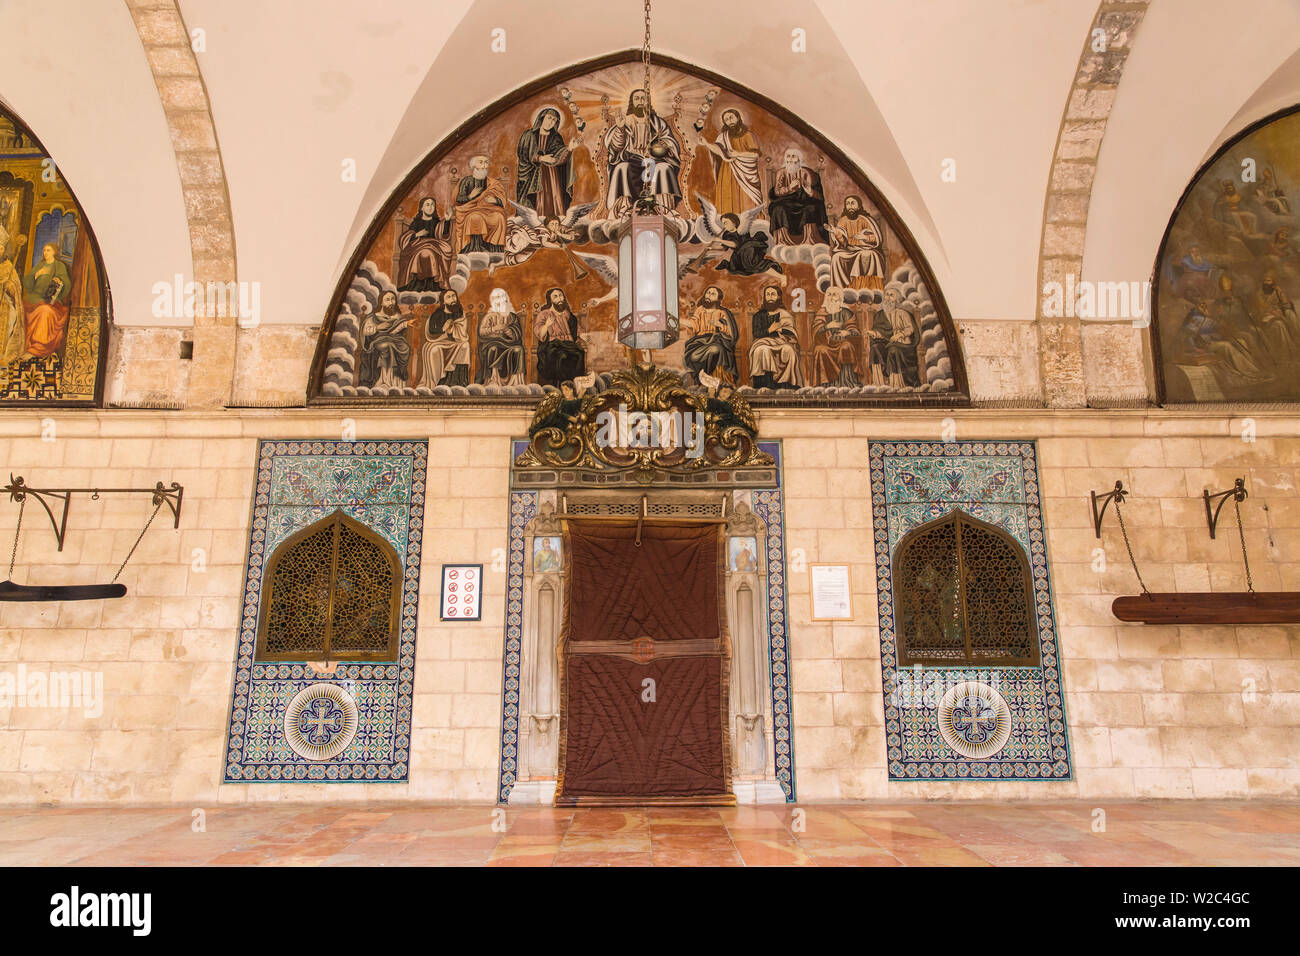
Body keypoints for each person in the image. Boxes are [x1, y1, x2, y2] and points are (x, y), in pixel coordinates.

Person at [603, 89, 681, 215]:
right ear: (631, 102)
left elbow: (670, 141)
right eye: (637, 98)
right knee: (621, 167)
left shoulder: (657, 122)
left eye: (643, 99)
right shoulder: (626, 121)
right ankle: (624, 208)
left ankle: (663, 208)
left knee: (664, 168)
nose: (640, 101)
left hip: (654, 161)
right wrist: (620, 129)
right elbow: (616, 148)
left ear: (648, 102)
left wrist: (663, 145)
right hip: (632, 160)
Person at [516, 107, 578, 218]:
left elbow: (560, 159)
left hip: (551, 176)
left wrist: (569, 149)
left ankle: (553, 223)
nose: (551, 122)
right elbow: (523, 155)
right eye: (549, 118)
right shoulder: (528, 135)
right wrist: (540, 158)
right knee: (533, 204)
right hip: (532, 176)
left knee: (553, 200)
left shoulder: (556, 137)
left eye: (554, 120)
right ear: (541, 118)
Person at [701, 108, 761, 217]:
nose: (730, 121)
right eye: (727, 120)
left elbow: (755, 155)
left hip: (746, 174)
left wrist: (738, 154)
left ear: (738, 118)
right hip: (728, 171)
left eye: (731, 118)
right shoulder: (724, 136)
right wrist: (707, 144)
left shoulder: (748, 135)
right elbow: (717, 149)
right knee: (727, 195)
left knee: (745, 197)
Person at [768, 149, 829, 245]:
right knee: (778, 210)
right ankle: (782, 241)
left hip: (804, 201)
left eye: (793, 156)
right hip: (785, 201)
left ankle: (810, 240)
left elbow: (817, 195)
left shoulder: (807, 172)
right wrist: (789, 188)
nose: (790, 159)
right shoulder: (781, 172)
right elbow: (777, 192)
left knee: (811, 209)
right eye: (788, 156)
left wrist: (808, 190)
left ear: (799, 159)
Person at [748, 284, 805, 389]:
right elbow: (756, 333)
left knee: (788, 350)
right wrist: (770, 329)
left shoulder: (785, 314)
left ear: (778, 297)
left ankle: (785, 384)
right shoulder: (759, 315)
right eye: (767, 295)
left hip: (782, 341)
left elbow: (791, 333)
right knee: (762, 350)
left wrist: (779, 329)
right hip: (763, 341)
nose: (770, 297)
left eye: (773, 294)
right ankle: (764, 384)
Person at [22, 242, 72, 359]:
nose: (45, 253)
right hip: (34, 299)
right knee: (20, 309)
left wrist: (58, 280)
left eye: (48, 250)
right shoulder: (40, 266)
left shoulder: (59, 266)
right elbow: (28, 284)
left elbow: (67, 283)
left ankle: (37, 348)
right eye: (44, 250)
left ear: (54, 252)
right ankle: (23, 346)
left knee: (45, 311)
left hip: (51, 301)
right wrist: (35, 275)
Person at [357, 291, 415, 389]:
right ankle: (383, 380)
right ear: (381, 303)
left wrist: (406, 324)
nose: (391, 302)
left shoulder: (397, 317)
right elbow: (366, 332)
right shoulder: (373, 317)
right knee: (387, 346)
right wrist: (378, 327)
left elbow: (395, 331)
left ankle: (395, 382)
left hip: (395, 340)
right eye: (387, 300)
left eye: (393, 299)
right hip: (376, 342)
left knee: (404, 347)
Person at [396, 197, 454, 292]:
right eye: (427, 205)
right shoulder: (416, 222)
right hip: (417, 246)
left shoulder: (436, 222)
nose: (430, 207)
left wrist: (447, 220)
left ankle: (433, 283)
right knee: (425, 253)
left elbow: (442, 235)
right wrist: (417, 234)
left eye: (432, 205)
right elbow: (406, 238)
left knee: (431, 252)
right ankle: (418, 283)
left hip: (434, 246)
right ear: (422, 208)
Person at [682, 285, 739, 382]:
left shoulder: (722, 312)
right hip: (700, 342)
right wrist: (678, 320)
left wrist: (720, 326)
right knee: (693, 356)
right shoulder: (700, 310)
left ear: (718, 299)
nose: (709, 295)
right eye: (708, 293)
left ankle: (711, 380)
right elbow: (693, 324)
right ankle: (702, 378)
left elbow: (731, 334)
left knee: (715, 349)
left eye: (713, 294)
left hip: (718, 340)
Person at [455, 155, 509, 253]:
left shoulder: (492, 183)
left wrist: (495, 200)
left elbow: (502, 200)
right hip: (470, 210)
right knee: (475, 217)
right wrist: (470, 196)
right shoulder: (467, 181)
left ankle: (494, 248)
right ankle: (475, 248)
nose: (484, 166)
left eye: (486, 162)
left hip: (490, 210)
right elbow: (459, 198)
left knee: (499, 217)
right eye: (481, 162)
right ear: (473, 166)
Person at [868, 288, 921, 388]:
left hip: (903, 344)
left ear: (897, 300)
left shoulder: (903, 313)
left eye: (891, 295)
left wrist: (900, 334)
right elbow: (883, 334)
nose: (888, 298)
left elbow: (910, 328)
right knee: (875, 348)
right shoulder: (880, 315)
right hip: (887, 343)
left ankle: (897, 384)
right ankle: (879, 383)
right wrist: (874, 333)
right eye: (887, 295)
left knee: (893, 350)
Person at [829, 197, 884, 291]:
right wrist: (837, 233)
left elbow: (877, 238)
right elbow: (843, 243)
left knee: (867, 254)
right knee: (836, 258)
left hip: (865, 248)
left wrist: (865, 238)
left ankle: (864, 286)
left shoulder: (866, 220)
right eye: (848, 203)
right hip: (848, 249)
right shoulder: (843, 221)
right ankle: (842, 288)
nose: (850, 206)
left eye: (852, 203)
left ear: (859, 206)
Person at [534, 287, 585, 387]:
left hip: (569, 344)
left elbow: (577, 329)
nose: (560, 299)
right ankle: (561, 385)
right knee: (562, 356)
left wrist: (584, 336)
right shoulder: (544, 314)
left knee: (579, 353)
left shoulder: (567, 314)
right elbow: (538, 332)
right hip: (553, 346)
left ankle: (575, 385)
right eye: (556, 296)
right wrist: (547, 325)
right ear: (550, 300)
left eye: (561, 296)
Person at [418, 290, 469, 387]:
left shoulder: (460, 313)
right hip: (439, 341)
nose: (452, 299)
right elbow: (432, 331)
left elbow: (461, 332)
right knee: (434, 350)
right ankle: (438, 381)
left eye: (454, 296)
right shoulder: (437, 315)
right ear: (443, 302)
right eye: (448, 297)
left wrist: (452, 330)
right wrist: (444, 330)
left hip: (456, 341)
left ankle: (459, 381)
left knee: (465, 346)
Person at [812, 288, 863, 387]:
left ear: (840, 297)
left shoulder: (847, 313)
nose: (831, 297)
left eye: (834, 294)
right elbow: (816, 332)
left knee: (846, 347)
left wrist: (847, 332)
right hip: (826, 344)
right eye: (829, 295)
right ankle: (826, 384)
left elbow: (855, 331)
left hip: (842, 342)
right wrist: (827, 327)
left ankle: (846, 382)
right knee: (820, 350)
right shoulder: (821, 313)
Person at [476, 288, 525, 386]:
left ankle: (516, 381)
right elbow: (481, 332)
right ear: (493, 302)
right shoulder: (489, 316)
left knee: (518, 350)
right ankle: (493, 379)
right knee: (494, 348)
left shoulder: (512, 317)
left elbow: (517, 333)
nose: (500, 301)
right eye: (497, 299)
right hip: (492, 342)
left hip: (510, 344)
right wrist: (494, 328)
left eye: (502, 299)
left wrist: (508, 331)